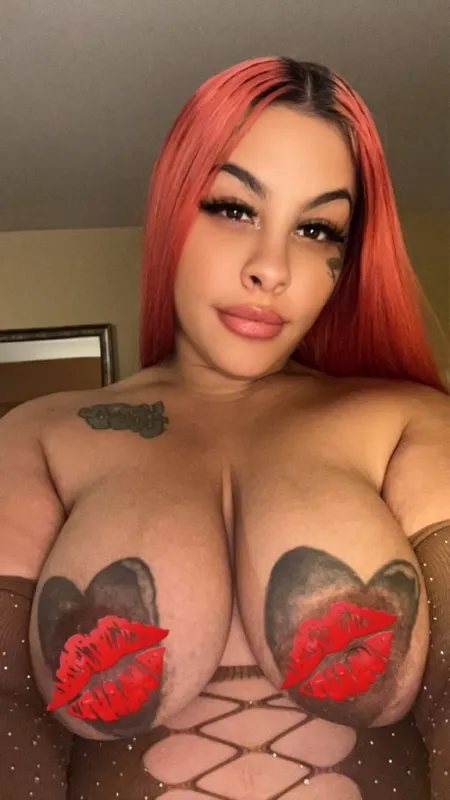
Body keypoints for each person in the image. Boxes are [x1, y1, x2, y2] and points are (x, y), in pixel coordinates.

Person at [0, 55, 449, 800]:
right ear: (173, 208)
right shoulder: (38, 438)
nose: (272, 268)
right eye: (235, 209)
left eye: (316, 228)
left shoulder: (409, 426)